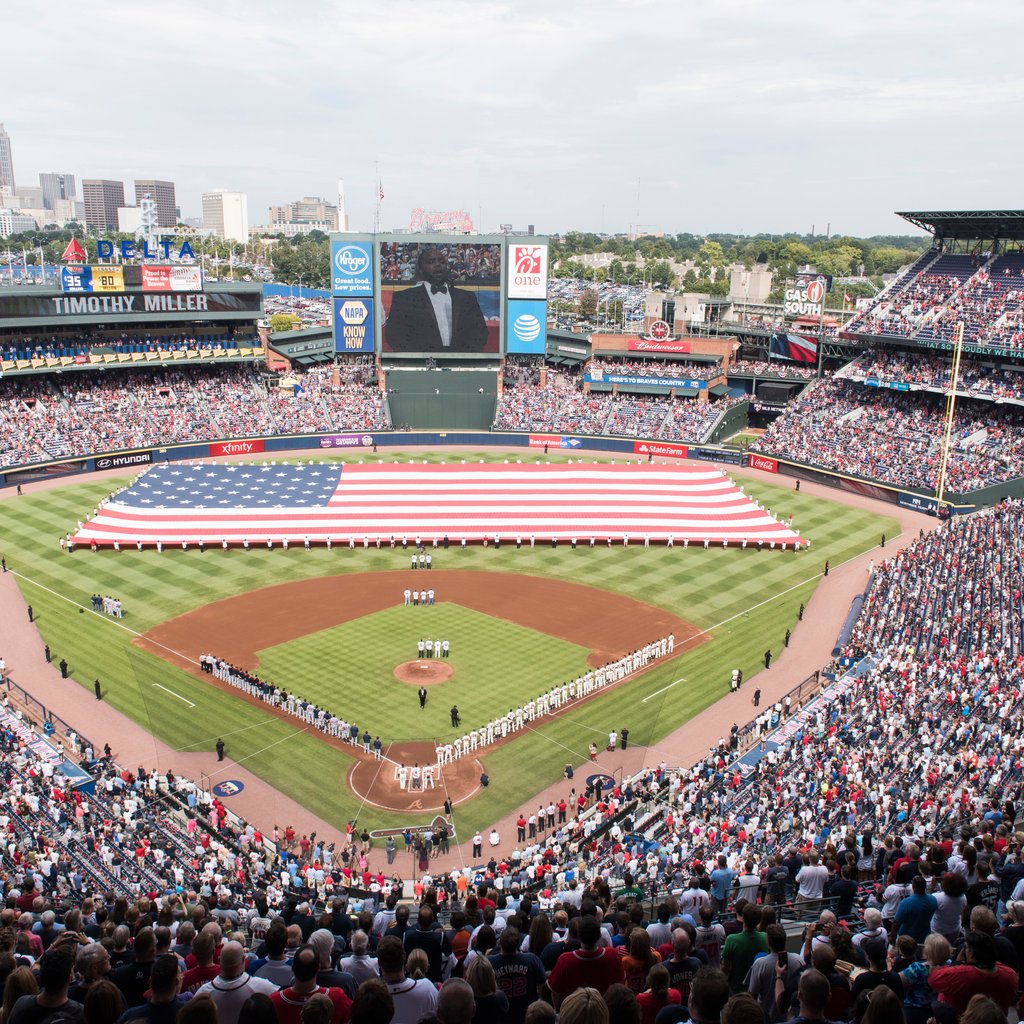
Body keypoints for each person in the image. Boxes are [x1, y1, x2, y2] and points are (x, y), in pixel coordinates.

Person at [383, 244, 489, 353]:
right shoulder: (404, 298)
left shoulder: (467, 297)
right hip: (420, 365)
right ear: (420, 268)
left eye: (442, 261)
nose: (438, 265)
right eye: (431, 262)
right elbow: (394, 335)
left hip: (459, 364)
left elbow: (480, 333)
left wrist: (461, 359)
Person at [7, 946, 83, 1024]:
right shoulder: (81, 1014)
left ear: (41, 976)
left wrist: (53, 945)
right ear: (69, 978)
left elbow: (36, 964)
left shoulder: (21, 1005)